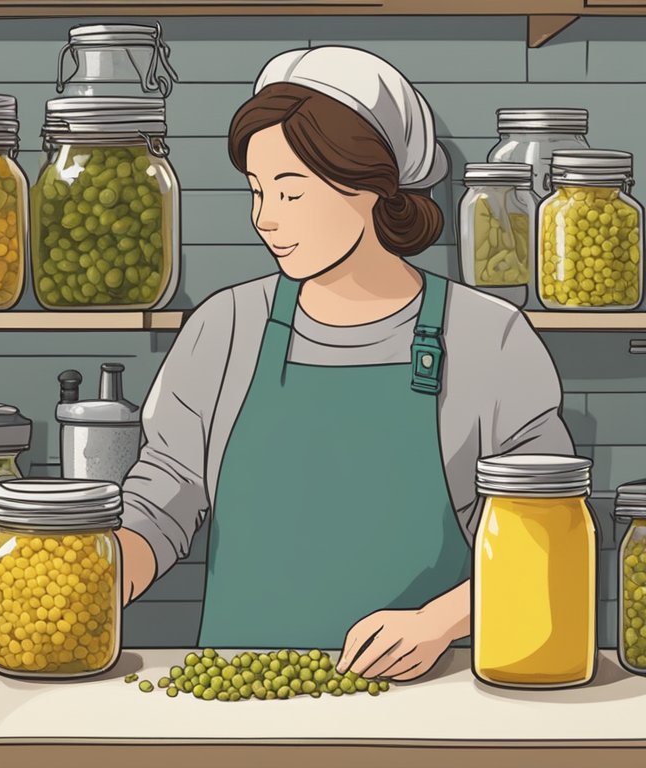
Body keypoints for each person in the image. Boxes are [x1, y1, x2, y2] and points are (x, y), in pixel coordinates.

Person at [118, 46, 573, 681]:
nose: (264, 219)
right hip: (239, 698)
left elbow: (544, 538)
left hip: (432, 697)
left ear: (368, 187)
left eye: (290, 191)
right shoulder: (224, 329)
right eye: (256, 191)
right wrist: (101, 577)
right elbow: (161, 500)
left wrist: (439, 622)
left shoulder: (487, 337)